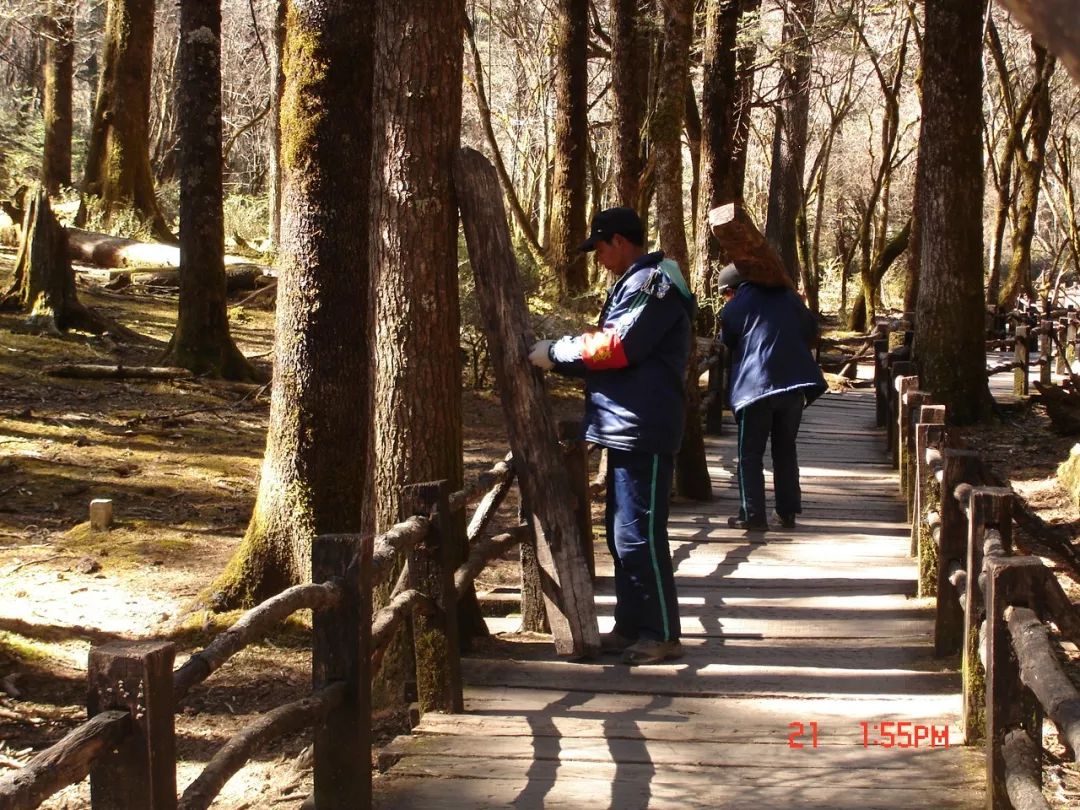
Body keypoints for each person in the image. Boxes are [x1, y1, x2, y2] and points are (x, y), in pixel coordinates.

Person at [527, 206, 694, 666]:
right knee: (622, 536)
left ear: (619, 241)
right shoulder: (635, 283)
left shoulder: (652, 284)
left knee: (640, 535)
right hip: (626, 425)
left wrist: (558, 351)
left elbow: (617, 346)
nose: (598, 258)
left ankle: (660, 632)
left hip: (644, 426)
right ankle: (631, 625)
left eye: (600, 248)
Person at [717, 262, 827, 531]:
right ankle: (787, 511)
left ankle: (752, 514)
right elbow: (811, 330)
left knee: (750, 453)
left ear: (733, 288)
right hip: (794, 384)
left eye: (725, 293)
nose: (726, 299)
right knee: (786, 449)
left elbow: (728, 339)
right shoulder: (790, 297)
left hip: (755, 387)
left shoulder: (736, 305)